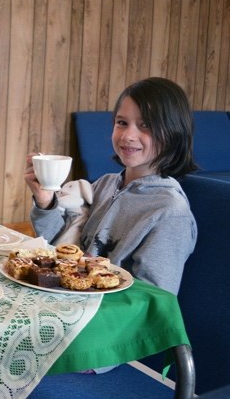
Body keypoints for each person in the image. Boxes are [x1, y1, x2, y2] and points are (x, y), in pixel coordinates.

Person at [26, 77, 198, 295]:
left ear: (174, 132)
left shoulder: (169, 212)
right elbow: (56, 245)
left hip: (111, 318)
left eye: (145, 125)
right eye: (122, 123)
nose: (128, 136)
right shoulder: (105, 184)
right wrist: (45, 201)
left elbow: (153, 300)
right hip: (71, 297)